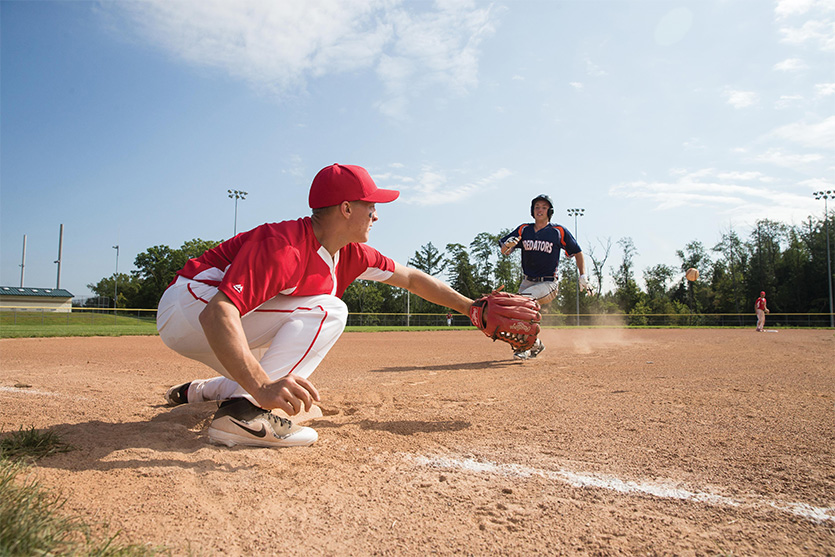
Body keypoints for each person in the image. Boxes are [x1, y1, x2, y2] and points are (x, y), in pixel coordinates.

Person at [157, 164, 476, 448]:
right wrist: (264, 387)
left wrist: (472, 308)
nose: (376, 214)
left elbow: (411, 279)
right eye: (371, 205)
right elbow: (217, 312)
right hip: (192, 305)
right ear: (347, 208)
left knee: (272, 364)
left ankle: (200, 392)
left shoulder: (351, 254)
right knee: (330, 309)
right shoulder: (285, 245)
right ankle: (244, 414)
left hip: (210, 322)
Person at [498, 194, 593, 359]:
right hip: (527, 281)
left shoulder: (558, 231)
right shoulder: (524, 230)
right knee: (514, 314)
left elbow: (577, 252)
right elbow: (505, 251)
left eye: (543, 207)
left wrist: (583, 275)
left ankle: (524, 348)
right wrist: (508, 245)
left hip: (548, 283)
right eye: (536, 207)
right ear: (532, 211)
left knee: (523, 303)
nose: (539, 210)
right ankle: (535, 345)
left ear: (550, 211)